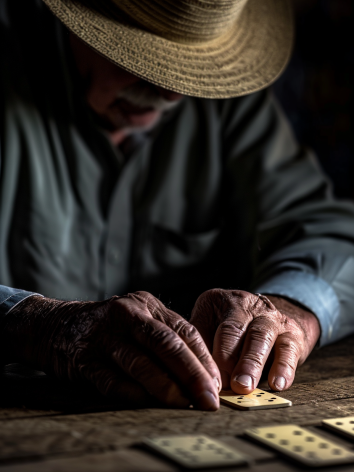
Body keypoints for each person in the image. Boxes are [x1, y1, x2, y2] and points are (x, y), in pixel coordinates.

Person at [1, 0, 354, 412]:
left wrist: (288, 311)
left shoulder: (226, 95)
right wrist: (35, 323)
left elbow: (328, 231)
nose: (171, 92)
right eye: (141, 56)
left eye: (190, 66)